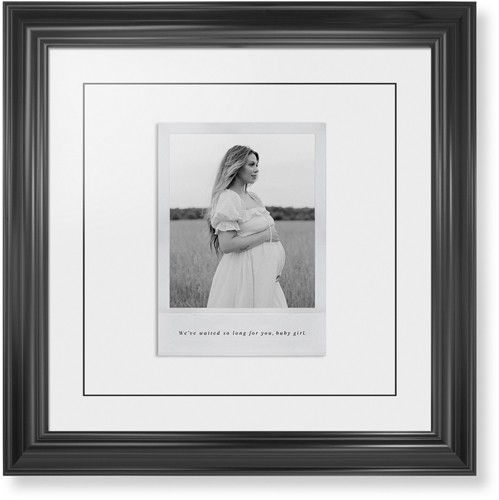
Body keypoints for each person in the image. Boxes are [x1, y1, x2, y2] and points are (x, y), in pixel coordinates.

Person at [206, 145, 287, 308]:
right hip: (244, 276)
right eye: (251, 165)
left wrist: (274, 267)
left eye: (257, 165)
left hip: (265, 277)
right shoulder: (229, 198)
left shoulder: (254, 197)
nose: (256, 169)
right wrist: (266, 236)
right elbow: (227, 245)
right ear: (236, 166)